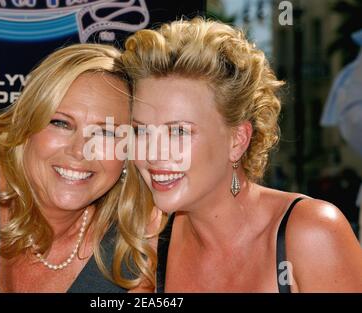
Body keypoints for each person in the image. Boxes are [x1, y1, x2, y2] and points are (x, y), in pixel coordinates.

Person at [121, 18, 362, 292]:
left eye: (179, 131)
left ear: (237, 140)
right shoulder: (149, 243)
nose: (153, 153)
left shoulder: (311, 234)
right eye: (141, 131)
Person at [0, 43, 156, 292]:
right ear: (27, 126)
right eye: (61, 123)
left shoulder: (133, 242)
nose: (80, 150)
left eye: (105, 133)